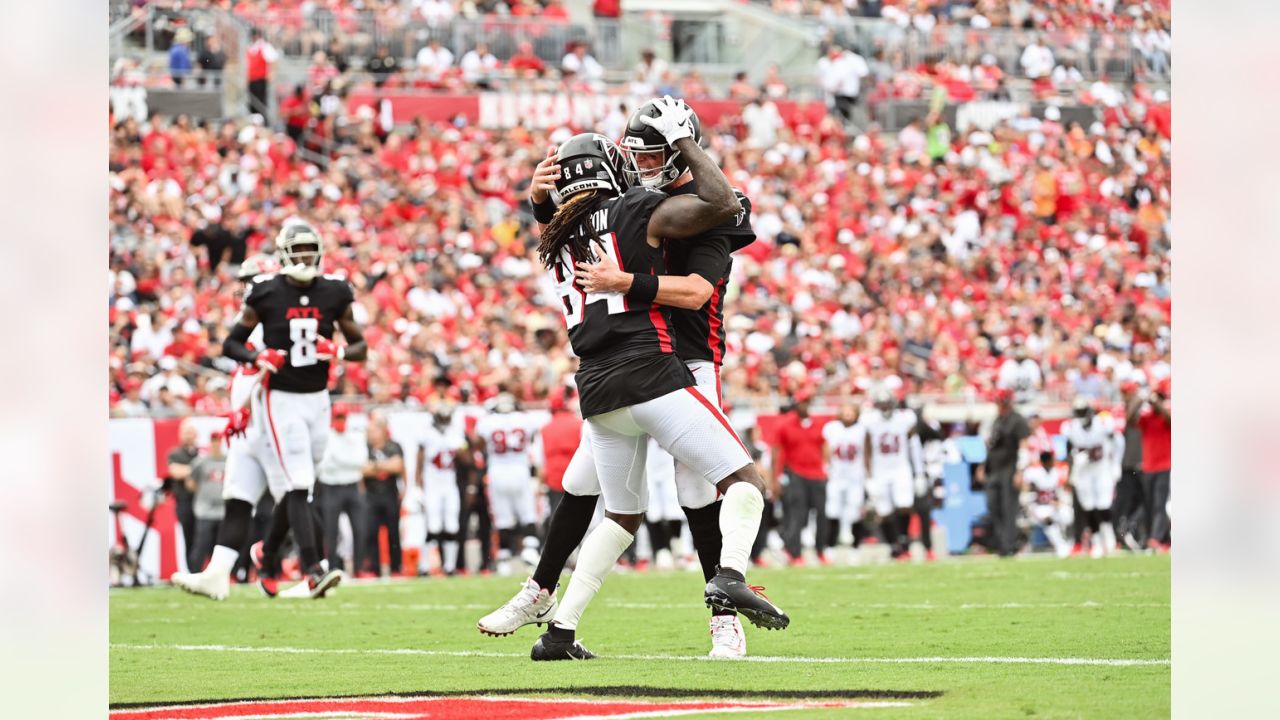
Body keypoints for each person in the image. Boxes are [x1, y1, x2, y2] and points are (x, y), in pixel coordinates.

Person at [480, 97, 760, 659]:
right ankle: (543, 597)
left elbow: (697, 289)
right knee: (587, 487)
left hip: (683, 358)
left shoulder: (695, 208)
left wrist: (623, 277)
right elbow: (585, 224)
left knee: (695, 491)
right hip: (642, 362)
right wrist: (541, 199)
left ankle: (723, 617)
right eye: (637, 154)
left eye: (656, 152)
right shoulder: (637, 205)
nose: (644, 164)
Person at [220, 220, 365, 596]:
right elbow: (231, 344)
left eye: (308, 249)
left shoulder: (334, 290)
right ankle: (314, 567)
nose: (304, 257)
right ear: (284, 254)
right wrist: (258, 355)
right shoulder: (266, 291)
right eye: (297, 250)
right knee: (299, 482)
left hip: (318, 399)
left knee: (304, 484)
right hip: (279, 398)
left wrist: (337, 351)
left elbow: (360, 347)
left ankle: (267, 554)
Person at [472, 393, 544, 575]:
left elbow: (478, 442)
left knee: (503, 518)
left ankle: (503, 558)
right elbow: (533, 437)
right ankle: (530, 549)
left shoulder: (487, 421)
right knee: (527, 514)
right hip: (520, 470)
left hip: (497, 471)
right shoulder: (524, 419)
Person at [863, 391, 921, 559]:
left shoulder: (905, 419)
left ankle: (903, 540)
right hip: (880, 470)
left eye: (887, 404)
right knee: (884, 511)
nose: (885, 408)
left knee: (904, 504)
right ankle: (893, 545)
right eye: (882, 405)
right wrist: (869, 477)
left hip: (900, 467)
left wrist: (919, 473)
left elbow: (914, 446)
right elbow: (866, 451)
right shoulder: (870, 421)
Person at [774, 391, 830, 564]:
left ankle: (821, 550)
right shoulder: (785, 425)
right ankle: (795, 553)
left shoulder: (818, 424)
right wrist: (776, 477)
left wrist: (827, 466)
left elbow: (824, 446)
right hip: (796, 473)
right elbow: (777, 452)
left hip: (817, 474)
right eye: (802, 403)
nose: (805, 406)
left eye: (807, 402)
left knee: (822, 514)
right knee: (797, 514)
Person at [316, 405, 370, 574]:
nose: (340, 422)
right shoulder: (326, 437)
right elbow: (323, 465)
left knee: (360, 529)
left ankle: (359, 568)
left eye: (342, 418)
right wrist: (347, 460)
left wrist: (338, 458)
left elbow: (360, 461)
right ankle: (333, 567)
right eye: (337, 418)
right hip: (331, 487)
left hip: (352, 486)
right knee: (331, 531)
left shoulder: (355, 435)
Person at [1063, 398, 1118, 558]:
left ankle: (1109, 538)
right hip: (1083, 470)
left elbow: (1118, 442)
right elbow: (1068, 450)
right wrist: (1073, 465)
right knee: (1088, 506)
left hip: (1102, 468)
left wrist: (1116, 465)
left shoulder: (1103, 423)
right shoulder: (1071, 427)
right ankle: (1096, 540)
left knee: (1103, 503)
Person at [417, 402, 465, 576]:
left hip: (449, 484)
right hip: (432, 484)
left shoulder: (455, 432)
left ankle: (449, 567)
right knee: (433, 526)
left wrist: (461, 449)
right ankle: (424, 567)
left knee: (452, 525)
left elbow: (465, 457)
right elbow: (419, 459)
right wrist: (417, 485)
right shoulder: (427, 433)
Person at [980, 389, 1028, 558]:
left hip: (1010, 469)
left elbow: (1023, 446)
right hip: (994, 470)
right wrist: (982, 466)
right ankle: (1001, 542)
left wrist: (1020, 471)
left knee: (1009, 508)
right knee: (992, 505)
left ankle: (1008, 546)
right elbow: (990, 446)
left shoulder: (1018, 421)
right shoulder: (996, 421)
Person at [822, 402, 870, 563]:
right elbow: (827, 448)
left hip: (856, 477)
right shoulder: (832, 427)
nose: (848, 414)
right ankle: (829, 547)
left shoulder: (862, 429)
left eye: (851, 411)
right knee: (832, 511)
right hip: (837, 475)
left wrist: (869, 474)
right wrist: (827, 466)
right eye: (845, 410)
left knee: (855, 513)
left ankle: (855, 548)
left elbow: (867, 452)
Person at [363, 414, 405, 577]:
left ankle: (396, 567)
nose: (371, 434)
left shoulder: (393, 446)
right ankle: (374, 568)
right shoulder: (365, 447)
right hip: (371, 495)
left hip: (389, 493)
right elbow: (362, 469)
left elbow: (398, 466)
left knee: (393, 532)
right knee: (371, 532)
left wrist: (374, 467)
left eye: (374, 430)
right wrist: (384, 466)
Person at [1135, 378, 1171, 550]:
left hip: (1165, 466)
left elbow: (1169, 419)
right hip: (1148, 467)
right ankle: (1155, 538)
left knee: (1160, 503)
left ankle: (1157, 538)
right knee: (1149, 504)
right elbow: (1129, 420)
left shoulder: (1167, 415)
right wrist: (1141, 397)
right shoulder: (1147, 417)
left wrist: (1157, 402)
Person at [537, 392, 583, 519]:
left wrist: (541, 483)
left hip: (555, 479)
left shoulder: (544, 428)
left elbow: (539, 460)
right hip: (578, 476)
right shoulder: (579, 424)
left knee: (557, 518)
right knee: (581, 518)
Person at [187, 429, 228, 571]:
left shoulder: (228, 461)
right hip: (205, 511)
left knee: (220, 548)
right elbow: (191, 483)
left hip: (223, 511)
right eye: (213, 441)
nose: (216, 444)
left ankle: (218, 574)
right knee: (201, 545)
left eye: (218, 441)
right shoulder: (200, 462)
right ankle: (194, 573)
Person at [1115, 382, 1147, 550]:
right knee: (1125, 501)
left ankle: (1131, 529)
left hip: (1140, 463)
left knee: (1144, 501)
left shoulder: (1141, 412)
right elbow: (1126, 421)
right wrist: (1139, 398)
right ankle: (1123, 531)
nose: (1127, 397)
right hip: (1126, 464)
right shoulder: (1122, 411)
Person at [1022, 451, 1072, 557]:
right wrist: (1028, 505)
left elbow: (1062, 491)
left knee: (1068, 515)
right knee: (1047, 519)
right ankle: (1060, 546)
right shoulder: (1033, 473)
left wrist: (1060, 502)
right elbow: (1027, 493)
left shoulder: (1057, 471)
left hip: (1054, 505)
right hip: (1038, 506)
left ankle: (1069, 542)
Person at [166, 420, 201, 564]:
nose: (188, 436)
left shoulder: (201, 453)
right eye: (185, 432)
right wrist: (198, 470)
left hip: (203, 502)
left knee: (205, 538)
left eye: (190, 432)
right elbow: (175, 471)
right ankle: (192, 570)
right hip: (185, 502)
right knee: (189, 537)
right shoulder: (175, 454)